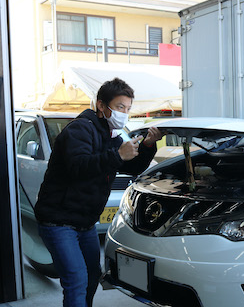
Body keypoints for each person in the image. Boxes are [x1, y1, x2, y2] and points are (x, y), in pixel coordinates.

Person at [34, 77, 163, 307]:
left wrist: (147, 146)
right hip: (58, 221)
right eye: (119, 107)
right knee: (76, 279)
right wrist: (117, 155)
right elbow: (78, 167)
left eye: (128, 108)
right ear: (101, 106)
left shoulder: (110, 135)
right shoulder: (80, 129)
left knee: (93, 275)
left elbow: (131, 166)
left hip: (85, 223)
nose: (124, 113)